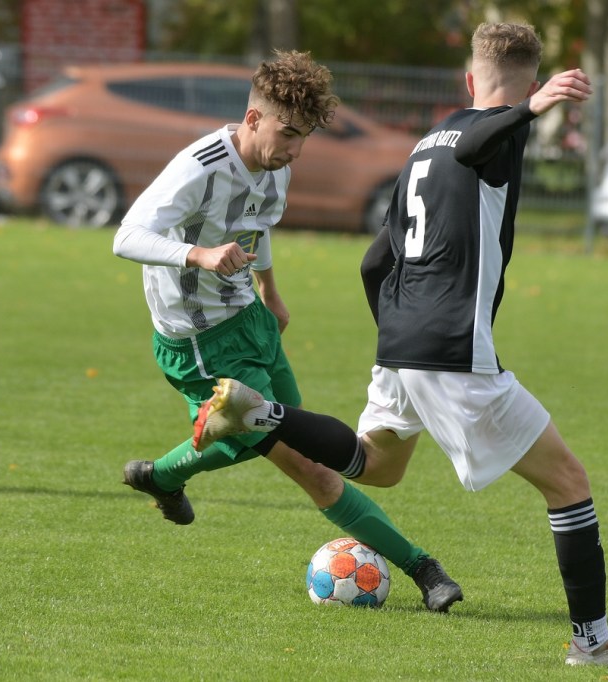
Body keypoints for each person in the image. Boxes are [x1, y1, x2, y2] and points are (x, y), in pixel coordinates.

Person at [192, 25, 608, 671]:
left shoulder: (426, 145)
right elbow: (481, 141)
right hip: (450, 347)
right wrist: (530, 111)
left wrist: (397, 337)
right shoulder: (497, 133)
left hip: (404, 341)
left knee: (376, 466)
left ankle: (262, 414)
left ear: (469, 80)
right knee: (569, 483)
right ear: (527, 87)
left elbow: (374, 262)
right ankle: (594, 644)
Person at [112, 49, 463, 613]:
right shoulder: (199, 167)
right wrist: (199, 255)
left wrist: (270, 291)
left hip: (250, 320)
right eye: (289, 134)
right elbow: (126, 236)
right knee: (311, 467)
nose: (296, 149)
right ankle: (424, 569)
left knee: (286, 431)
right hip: (201, 344)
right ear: (253, 119)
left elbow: (257, 227)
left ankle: (163, 476)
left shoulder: (276, 166)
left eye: (305, 137)